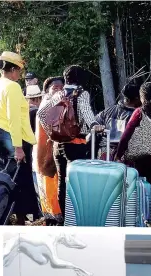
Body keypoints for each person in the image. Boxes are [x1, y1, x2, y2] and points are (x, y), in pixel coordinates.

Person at [38, 65, 103, 218]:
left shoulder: (58, 94)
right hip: (76, 143)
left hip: (58, 145)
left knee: (62, 182)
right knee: (78, 183)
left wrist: (53, 132)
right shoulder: (81, 93)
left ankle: (65, 219)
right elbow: (85, 110)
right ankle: (78, 217)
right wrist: (94, 125)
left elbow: (41, 113)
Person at [0, 51, 40, 225]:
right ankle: (21, 219)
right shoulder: (13, 87)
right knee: (19, 178)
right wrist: (18, 146)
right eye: (19, 71)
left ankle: (0, 215)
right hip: (10, 135)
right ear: (13, 69)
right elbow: (14, 118)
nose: (20, 75)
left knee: (1, 177)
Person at [33, 76, 65, 225]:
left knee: (51, 183)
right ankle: (53, 217)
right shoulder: (48, 104)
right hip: (46, 152)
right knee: (49, 184)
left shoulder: (56, 103)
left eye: (61, 87)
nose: (59, 90)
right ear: (47, 91)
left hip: (49, 151)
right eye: (55, 88)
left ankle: (53, 215)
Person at [93, 82, 141, 159]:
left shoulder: (109, 110)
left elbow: (93, 122)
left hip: (105, 153)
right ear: (137, 98)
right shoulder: (138, 115)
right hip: (124, 155)